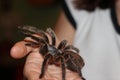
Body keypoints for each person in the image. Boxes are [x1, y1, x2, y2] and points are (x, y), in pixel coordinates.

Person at [10, 0, 120, 80]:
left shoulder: (56, 56)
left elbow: (61, 53)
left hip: (66, 58)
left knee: (60, 55)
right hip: (64, 54)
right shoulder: (78, 6)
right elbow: (53, 38)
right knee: (43, 37)